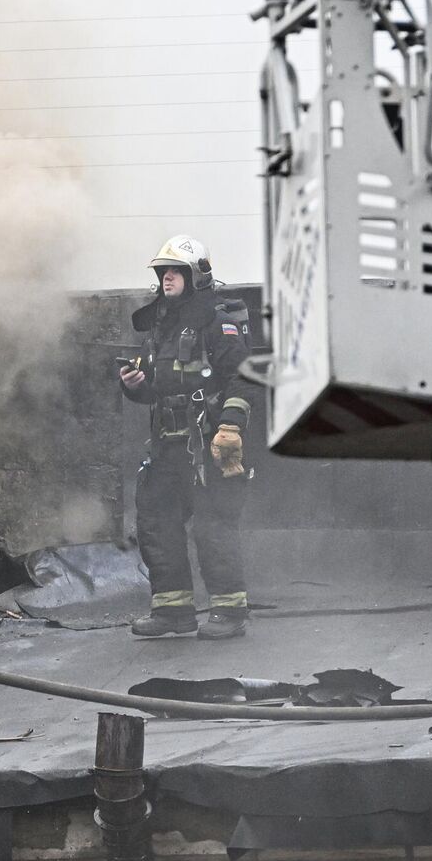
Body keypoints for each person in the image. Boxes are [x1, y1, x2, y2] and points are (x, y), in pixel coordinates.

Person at [118, 235, 253, 640]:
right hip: (166, 443)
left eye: (176, 271)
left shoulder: (216, 321)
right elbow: (155, 387)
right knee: (157, 522)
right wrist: (134, 385)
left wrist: (230, 427)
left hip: (207, 444)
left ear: (197, 276)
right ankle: (172, 611)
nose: (167, 278)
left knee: (213, 527)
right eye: (164, 272)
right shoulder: (162, 324)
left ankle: (229, 611)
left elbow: (243, 377)